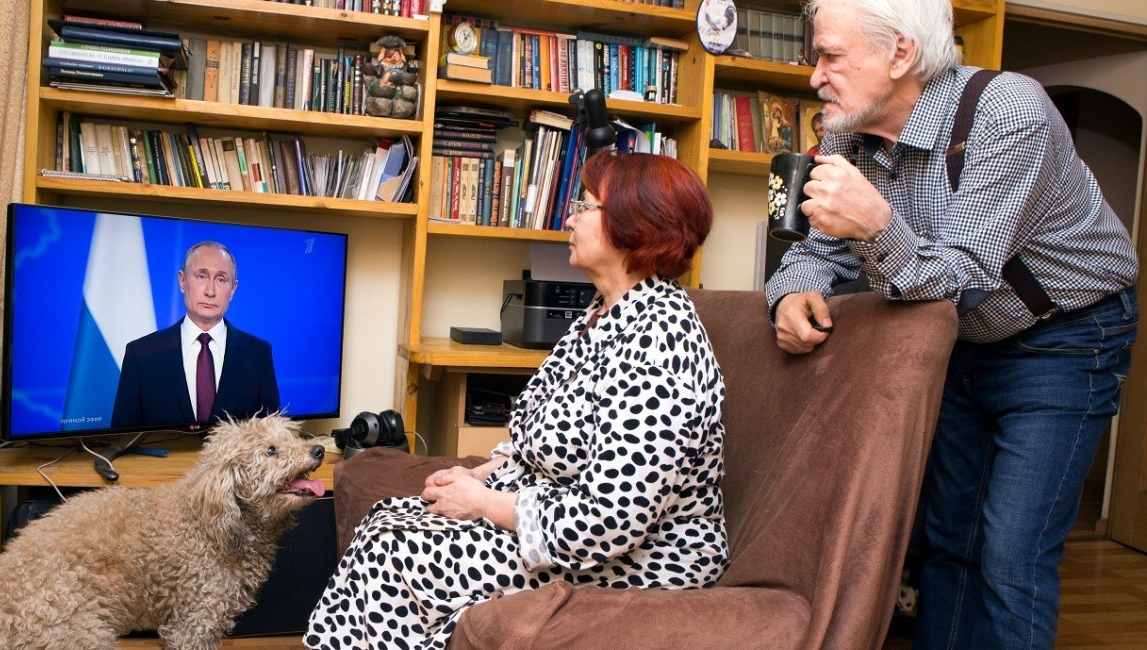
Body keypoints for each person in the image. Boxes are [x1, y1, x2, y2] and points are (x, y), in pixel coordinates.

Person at [764, 0, 1138, 648]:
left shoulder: (1007, 111)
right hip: (958, 341)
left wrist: (877, 224)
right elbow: (819, 250)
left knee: (1011, 553)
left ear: (900, 54)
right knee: (948, 539)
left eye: (829, 55)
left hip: (1065, 337)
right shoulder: (849, 131)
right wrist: (790, 294)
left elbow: (962, 274)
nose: (814, 77)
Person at [305, 152, 728, 649]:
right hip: (556, 519)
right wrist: (477, 476)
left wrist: (483, 503)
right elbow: (537, 439)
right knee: (385, 519)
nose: (569, 218)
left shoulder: (661, 340)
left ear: (636, 224)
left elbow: (609, 522)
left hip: (636, 559)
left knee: (396, 549)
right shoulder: (601, 315)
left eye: (585, 206)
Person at [111, 241, 280, 429]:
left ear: (233, 289)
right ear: (182, 281)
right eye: (201, 276)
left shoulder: (257, 354)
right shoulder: (141, 354)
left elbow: (272, 437)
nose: (210, 291)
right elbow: (122, 437)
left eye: (221, 279)